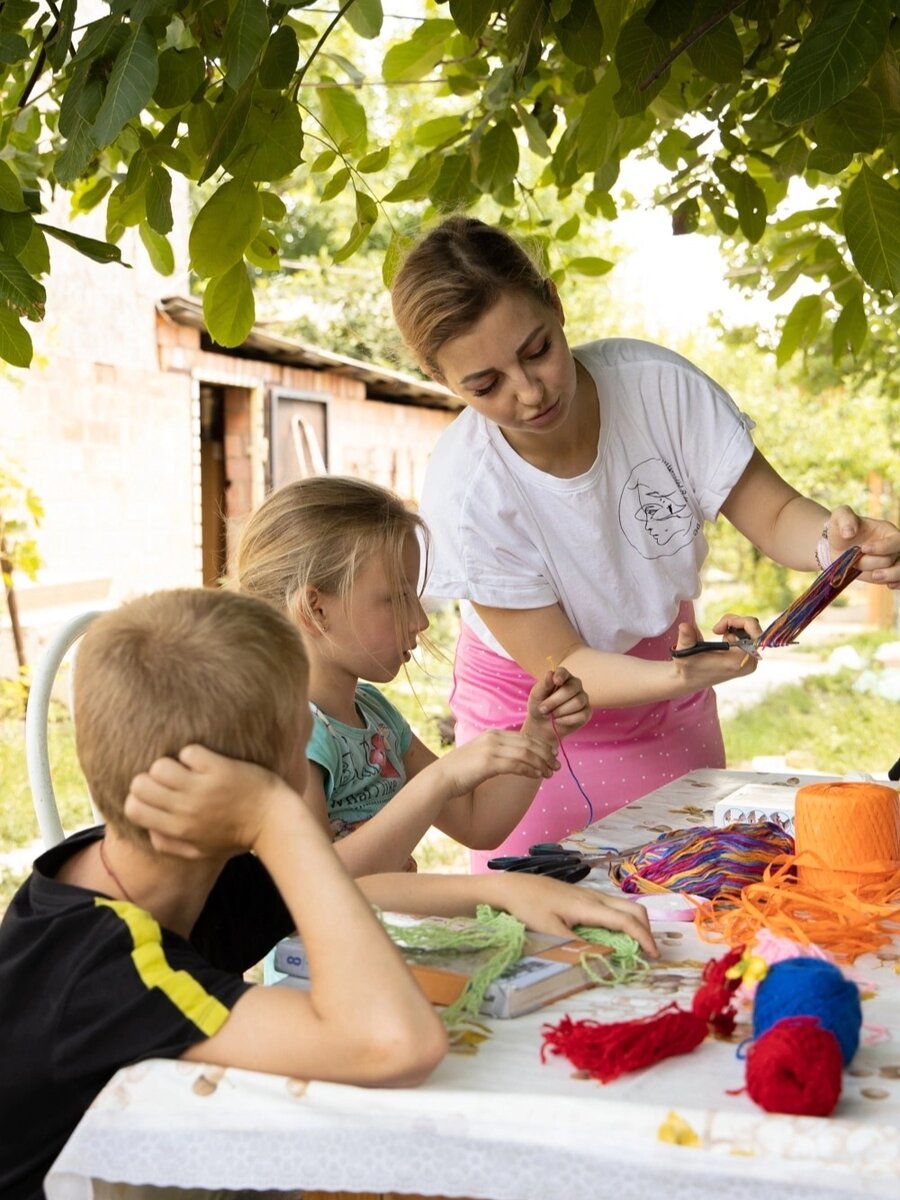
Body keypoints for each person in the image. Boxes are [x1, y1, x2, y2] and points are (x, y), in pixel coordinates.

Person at [0, 587, 655, 1200]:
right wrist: (277, 817)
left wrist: (509, 890)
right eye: (302, 723)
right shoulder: (110, 969)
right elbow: (398, 1045)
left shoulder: (156, 864)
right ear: (271, 771)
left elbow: (341, 888)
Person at [390, 215, 900, 870]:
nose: (529, 391)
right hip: (536, 722)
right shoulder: (466, 492)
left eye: (537, 350)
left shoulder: (659, 389)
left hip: (666, 694)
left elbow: (774, 516)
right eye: (485, 385)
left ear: (555, 302)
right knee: (555, 930)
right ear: (442, 379)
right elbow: (565, 664)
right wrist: (678, 672)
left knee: (693, 901)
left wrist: (839, 545)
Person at [235, 474, 593, 877]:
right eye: (398, 598)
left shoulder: (374, 716)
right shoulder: (287, 734)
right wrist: (438, 780)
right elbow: (318, 880)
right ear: (316, 609)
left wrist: (538, 733)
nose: (420, 620)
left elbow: (479, 823)